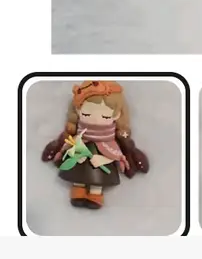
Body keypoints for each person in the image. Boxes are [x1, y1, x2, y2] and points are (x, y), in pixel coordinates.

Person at [41, 80, 149, 209]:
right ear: (78, 111)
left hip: (100, 166)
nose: (96, 119)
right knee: (78, 177)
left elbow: (115, 153)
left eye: (105, 116)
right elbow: (70, 145)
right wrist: (76, 155)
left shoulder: (109, 141)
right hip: (79, 161)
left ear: (117, 115)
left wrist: (103, 159)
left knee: (97, 184)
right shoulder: (79, 137)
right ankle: (78, 191)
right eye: (86, 114)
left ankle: (95, 195)